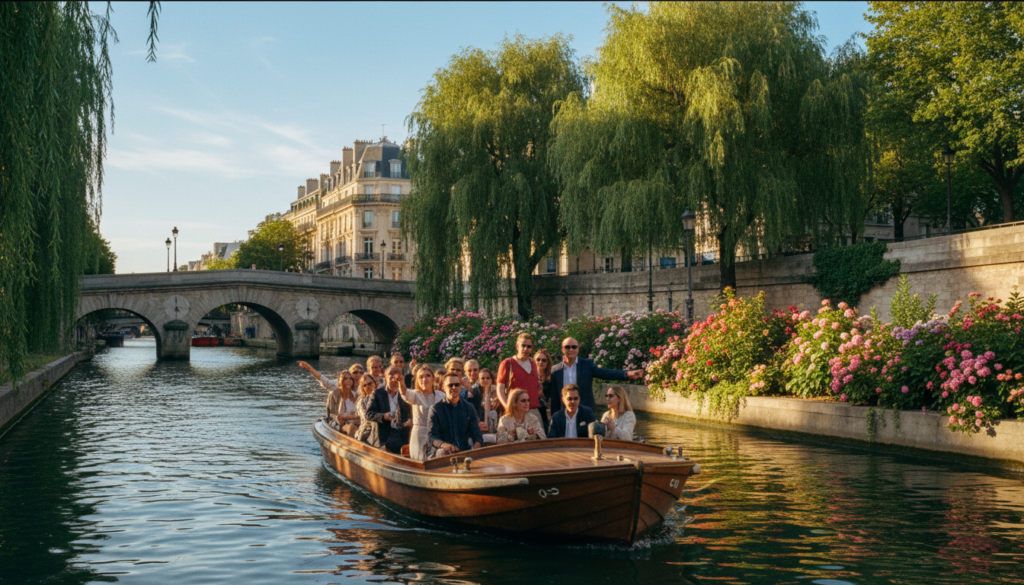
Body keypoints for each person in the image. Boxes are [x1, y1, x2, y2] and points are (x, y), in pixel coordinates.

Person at [551, 337, 645, 414]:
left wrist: (627, 374)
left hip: (585, 412)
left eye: (574, 347)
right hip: (563, 413)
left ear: (578, 349)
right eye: (567, 347)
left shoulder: (587, 365)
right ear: (562, 349)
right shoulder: (555, 370)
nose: (571, 349)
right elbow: (554, 397)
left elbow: (605, 373)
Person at [425, 373, 484, 458]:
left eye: (457, 384)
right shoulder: (435, 409)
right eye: (450, 385)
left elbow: (477, 434)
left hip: (464, 450)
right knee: (442, 453)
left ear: (460, 386)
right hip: (443, 452)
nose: (454, 387)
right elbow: (432, 436)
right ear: (443, 388)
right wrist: (445, 445)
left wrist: (475, 451)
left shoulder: (469, 407)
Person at [396, 365, 445, 461]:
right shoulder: (415, 394)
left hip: (437, 434)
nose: (424, 379)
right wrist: (401, 382)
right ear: (417, 380)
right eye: (421, 377)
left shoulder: (441, 395)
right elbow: (404, 393)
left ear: (433, 378)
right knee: (420, 461)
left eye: (428, 376)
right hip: (420, 435)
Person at [297, 361, 360, 433]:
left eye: (350, 379)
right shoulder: (336, 391)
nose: (348, 381)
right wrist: (309, 368)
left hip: (354, 421)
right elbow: (323, 380)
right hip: (339, 422)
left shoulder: (356, 393)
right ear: (341, 381)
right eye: (345, 379)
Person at [496, 333, 542, 421]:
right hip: (515, 411)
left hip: (533, 410)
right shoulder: (507, 363)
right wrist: (508, 408)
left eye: (529, 346)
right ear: (517, 346)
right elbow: (500, 389)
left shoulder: (533, 363)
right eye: (523, 345)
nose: (526, 349)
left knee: (538, 434)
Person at [365, 368, 412, 453]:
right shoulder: (377, 393)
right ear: (385, 379)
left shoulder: (406, 394)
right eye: (391, 376)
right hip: (384, 435)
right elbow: (368, 414)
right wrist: (383, 416)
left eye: (398, 376)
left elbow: (412, 414)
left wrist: (410, 420)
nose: (395, 379)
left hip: (402, 433)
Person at [354, 373, 380, 443]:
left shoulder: (381, 396)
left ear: (374, 383)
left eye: (369, 383)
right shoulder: (361, 402)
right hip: (367, 431)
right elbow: (366, 417)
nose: (367, 386)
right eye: (364, 385)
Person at [533, 348, 554, 431]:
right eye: (538, 359)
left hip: (544, 413)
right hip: (530, 411)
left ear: (547, 363)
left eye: (544, 360)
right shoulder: (529, 376)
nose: (540, 362)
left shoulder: (551, 379)